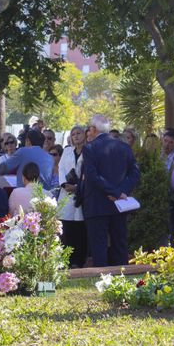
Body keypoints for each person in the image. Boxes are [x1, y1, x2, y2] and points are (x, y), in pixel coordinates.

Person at [81, 114, 141, 267]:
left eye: (89, 129)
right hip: (119, 204)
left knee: (99, 246)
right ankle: (123, 278)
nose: (88, 132)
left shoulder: (89, 148)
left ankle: (101, 280)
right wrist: (121, 192)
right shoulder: (124, 147)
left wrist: (116, 193)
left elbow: (92, 177)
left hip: (97, 204)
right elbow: (134, 173)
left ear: (94, 130)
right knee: (120, 244)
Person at [59, 125, 87, 268]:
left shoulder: (89, 151)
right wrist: (65, 184)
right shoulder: (67, 151)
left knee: (81, 230)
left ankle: (79, 261)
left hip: (82, 194)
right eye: (73, 134)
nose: (76, 136)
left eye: (79, 133)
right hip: (67, 193)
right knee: (67, 228)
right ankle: (67, 261)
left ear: (84, 135)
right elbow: (61, 169)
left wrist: (78, 187)